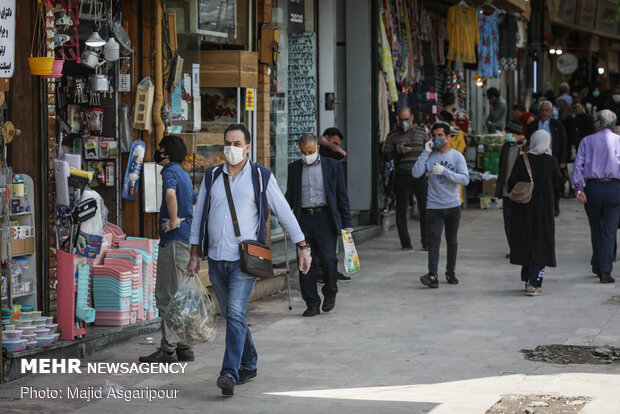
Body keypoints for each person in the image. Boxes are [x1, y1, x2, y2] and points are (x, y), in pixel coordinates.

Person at [187, 124, 312, 397]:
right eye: (227, 143)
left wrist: (302, 245)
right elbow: (199, 217)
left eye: (236, 143)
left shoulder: (260, 176)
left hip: (244, 260)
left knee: (233, 313)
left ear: (247, 147)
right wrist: (194, 253)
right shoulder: (212, 176)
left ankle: (229, 372)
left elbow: (284, 211)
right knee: (234, 315)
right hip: (217, 259)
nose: (231, 148)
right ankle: (250, 361)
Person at [139, 135, 197, 364]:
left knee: (169, 296)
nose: (158, 151)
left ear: (168, 152)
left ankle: (168, 350)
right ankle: (184, 346)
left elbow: (170, 194)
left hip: (174, 242)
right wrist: (182, 219)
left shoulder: (170, 171)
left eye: (161, 148)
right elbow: (196, 202)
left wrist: (174, 220)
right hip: (185, 241)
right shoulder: (184, 173)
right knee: (181, 295)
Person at [286, 134, 353, 317]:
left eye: (310, 151)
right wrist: (284, 218)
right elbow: (290, 196)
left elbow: (341, 196)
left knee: (329, 259)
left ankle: (330, 292)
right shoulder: (294, 168)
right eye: (303, 152)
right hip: (303, 220)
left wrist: (346, 222)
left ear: (317, 148)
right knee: (305, 262)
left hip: (325, 218)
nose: (307, 155)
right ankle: (312, 303)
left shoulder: (332, 166)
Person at [412, 123, 469, 288]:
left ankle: (450, 273)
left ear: (448, 137)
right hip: (433, 206)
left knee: (452, 240)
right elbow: (416, 173)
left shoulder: (457, 156)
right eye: (434, 135)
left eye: (440, 135)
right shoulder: (430, 156)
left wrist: (445, 172)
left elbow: (465, 179)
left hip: (452, 205)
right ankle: (432, 275)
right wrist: (425, 152)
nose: (437, 138)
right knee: (434, 241)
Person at [508, 130, 563, 296]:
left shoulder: (522, 159)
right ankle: (533, 283)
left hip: (524, 208)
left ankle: (527, 279)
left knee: (527, 240)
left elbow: (511, 182)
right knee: (541, 243)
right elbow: (559, 181)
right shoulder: (550, 160)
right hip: (543, 210)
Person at [572, 110, 620, 284]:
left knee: (596, 229)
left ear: (598, 123)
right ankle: (604, 270)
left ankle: (598, 264)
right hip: (615, 188)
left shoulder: (587, 141)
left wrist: (578, 187)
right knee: (609, 231)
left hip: (593, 188)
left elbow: (578, 166)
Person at [383, 107, 430, 251]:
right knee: (401, 209)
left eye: (406, 119)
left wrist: (428, 170)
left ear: (412, 118)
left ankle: (426, 242)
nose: (404, 122)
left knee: (425, 208)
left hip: (420, 175)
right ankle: (405, 243)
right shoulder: (393, 135)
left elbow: (430, 151)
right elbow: (385, 155)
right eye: (401, 119)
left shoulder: (422, 133)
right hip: (402, 175)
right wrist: (397, 151)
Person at [316, 127, 351, 282]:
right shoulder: (318, 154)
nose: (337, 146)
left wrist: (328, 143)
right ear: (326, 138)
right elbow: (341, 153)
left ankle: (331, 272)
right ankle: (320, 273)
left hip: (333, 206)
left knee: (331, 246)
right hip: (319, 208)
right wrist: (323, 142)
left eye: (338, 143)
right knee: (319, 247)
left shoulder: (330, 155)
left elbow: (341, 154)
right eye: (334, 142)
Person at [526, 100, 568, 216]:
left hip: (552, 159)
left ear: (551, 111)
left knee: (554, 185)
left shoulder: (557, 125)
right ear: (539, 111)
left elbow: (563, 144)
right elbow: (528, 141)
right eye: (542, 110)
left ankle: (554, 207)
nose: (544, 113)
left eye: (547, 110)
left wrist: (563, 161)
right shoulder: (533, 125)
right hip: (536, 158)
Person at [496, 122, 526, 258]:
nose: (507, 136)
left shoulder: (527, 147)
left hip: (521, 191)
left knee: (520, 221)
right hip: (507, 191)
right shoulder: (506, 147)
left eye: (509, 133)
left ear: (517, 135)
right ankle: (513, 249)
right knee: (508, 221)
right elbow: (501, 167)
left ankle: (521, 248)